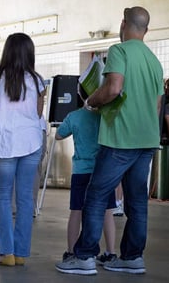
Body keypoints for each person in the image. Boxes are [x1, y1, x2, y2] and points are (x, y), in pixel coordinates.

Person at [56, 6, 163, 275]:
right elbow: (158, 105)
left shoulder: (120, 51)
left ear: (124, 24)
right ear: (146, 30)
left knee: (96, 195)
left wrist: (92, 101)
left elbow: (113, 87)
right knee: (137, 201)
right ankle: (131, 257)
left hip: (120, 140)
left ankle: (84, 257)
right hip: (147, 140)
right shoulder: (154, 60)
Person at [0, 32, 45, 266]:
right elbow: (38, 113)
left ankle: (6, 253)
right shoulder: (37, 80)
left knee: (2, 197)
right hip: (31, 144)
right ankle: (21, 253)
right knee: (25, 200)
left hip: (5, 144)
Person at [54, 84, 117, 265]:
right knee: (107, 212)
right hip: (103, 171)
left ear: (80, 95)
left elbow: (58, 135)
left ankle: (71, 251)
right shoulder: (106, 116)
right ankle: (111, 252)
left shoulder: (74, 117)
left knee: (76, 211)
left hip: (81, 172)